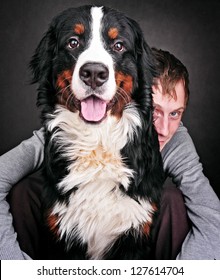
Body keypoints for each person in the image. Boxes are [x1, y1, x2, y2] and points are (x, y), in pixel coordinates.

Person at [0, 48, 220, 260]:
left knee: (173, 201)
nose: (164, 129)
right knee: (25, 190)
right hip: (68, 237)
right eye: (154, 111)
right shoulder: (72, 126)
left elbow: (212, 217)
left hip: (130, 243)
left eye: (175, 113)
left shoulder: (176, 140)